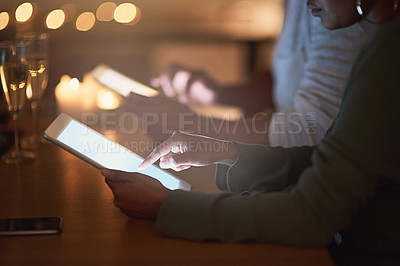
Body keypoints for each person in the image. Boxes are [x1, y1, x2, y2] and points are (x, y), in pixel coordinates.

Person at [103, 0, 400, 264]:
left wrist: (169, 207)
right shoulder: (378, 41)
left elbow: (311, 215)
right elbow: (332, 159)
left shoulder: (388, 49)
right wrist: (230, 152)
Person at [128, 0, 368, 147]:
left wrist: (190, 125)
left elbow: (315, 129)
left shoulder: (338, 10)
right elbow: (289, 76)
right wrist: (216, 95)